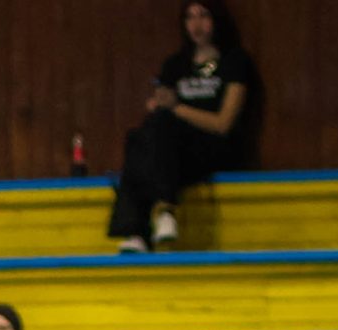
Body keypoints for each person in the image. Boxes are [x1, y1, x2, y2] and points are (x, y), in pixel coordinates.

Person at [109, 2, 256, 253]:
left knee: (150, 139)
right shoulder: (176, 64)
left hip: (213, 146)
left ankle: (151, 220)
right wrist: (159, 106)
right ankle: (150, 226)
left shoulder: (234, 61)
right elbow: (161, 108)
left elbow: (223, 124)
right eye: (190, 17)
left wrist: (176, 108)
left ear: (216, 19)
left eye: (203, 16)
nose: (196, 24)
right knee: (138, 138)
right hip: (175, 150)